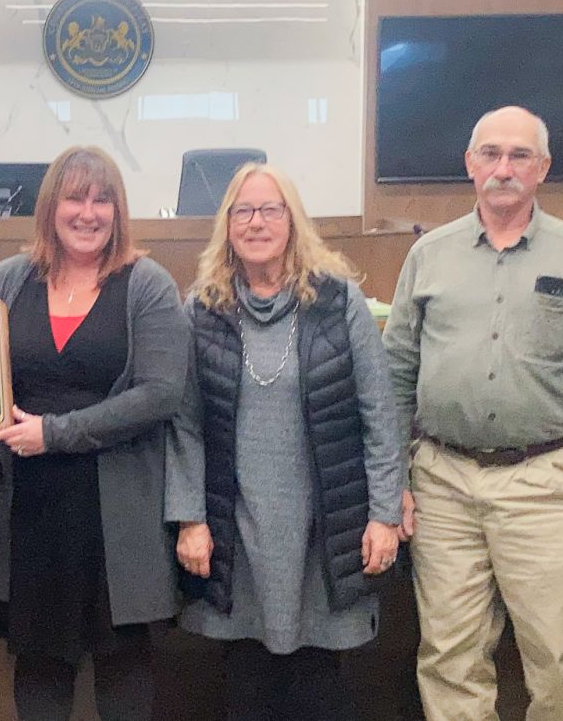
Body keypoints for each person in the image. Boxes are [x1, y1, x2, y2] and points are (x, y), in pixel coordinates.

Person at [382, 106, 563, 721]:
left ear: (543, 168)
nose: (504, 168)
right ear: (470, 164)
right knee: (449, 656)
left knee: (557, 659)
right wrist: (392, 480)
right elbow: (394, 375)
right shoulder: (429, 255)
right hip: (442, 481)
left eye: (519, 156)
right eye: (491, 154)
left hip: (548, 483)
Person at [166, 163, 405, 721]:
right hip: (235, 529)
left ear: (293, 221)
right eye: (242, 211)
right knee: (246, 682)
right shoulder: (200, 310)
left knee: (318, 684)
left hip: (325, 528)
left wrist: (385, 515)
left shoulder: (338, 302)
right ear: (227, 226)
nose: (256, 222)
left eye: (270, 209)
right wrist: (189, 519)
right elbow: (185, 424)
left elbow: (380, 415)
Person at [0, 146, 189, 721]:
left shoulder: (147, 284)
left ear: (119, 211)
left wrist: (58, 433)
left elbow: (161, 392)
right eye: (75, 197)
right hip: (30, 509)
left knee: (123, 670)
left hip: (117, 513)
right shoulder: (9, 278)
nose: (88, 212)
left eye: (102, 200)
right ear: (50, 207)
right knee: (40, 669)